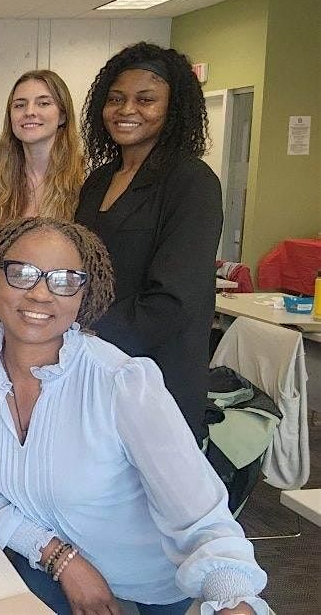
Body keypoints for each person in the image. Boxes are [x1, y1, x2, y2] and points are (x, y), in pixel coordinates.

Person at [0, 217, 267, 614]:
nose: (40, 293)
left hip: (146, 591)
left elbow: (203, 519)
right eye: (22, 273)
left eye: (64, 280)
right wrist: (61, 559)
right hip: (45, 569)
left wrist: (233, 598)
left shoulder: (121, 383)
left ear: (83, 297)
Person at [74, 42, 222, 443]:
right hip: (94, 371)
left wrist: (83, 336)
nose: (126, 110)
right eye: (116, 99)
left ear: (173, 108)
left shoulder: (191, 182)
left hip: (156, 376)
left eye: (145, 99)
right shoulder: (98, 181)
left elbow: (173, 299)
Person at [0, 70, 85, 231]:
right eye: (20, 105)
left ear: (62, 116)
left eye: (43, 103)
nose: (29, 112)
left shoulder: (85, 181)